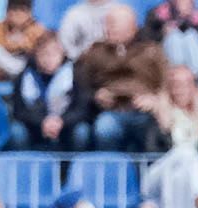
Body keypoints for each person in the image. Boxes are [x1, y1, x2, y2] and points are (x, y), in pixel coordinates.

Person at [71, 5, 168, 152]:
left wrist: (154, 99)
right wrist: (95, 96)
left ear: (132, 27)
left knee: (156, 133)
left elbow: (168, 82)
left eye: (113, 24)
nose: (107, 28)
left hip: (145, 113)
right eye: (107, 23)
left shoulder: (151, 50)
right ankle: (111, 171)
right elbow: (81, 84)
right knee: (105, 128)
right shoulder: (95, 52)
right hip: (112, 112)